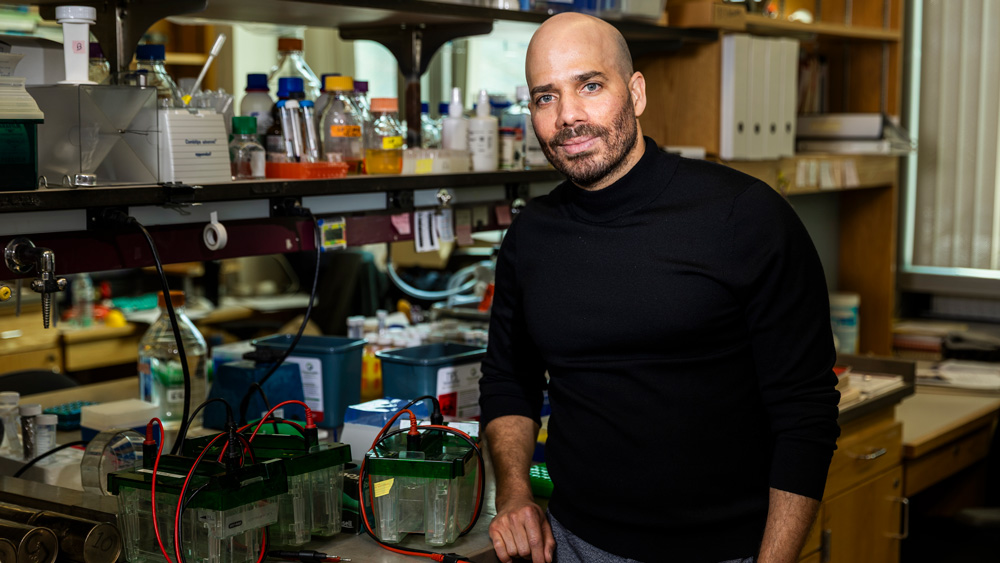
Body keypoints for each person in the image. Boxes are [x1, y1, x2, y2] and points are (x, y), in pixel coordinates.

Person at [479, 12, 841, 563]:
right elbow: (510, 380)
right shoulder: (531, 236)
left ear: (637, 92)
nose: (568, 116)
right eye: (545, 97)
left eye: (590, 85)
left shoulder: (745, 215)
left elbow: (805, 410)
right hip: (574, 544)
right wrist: (514, 493)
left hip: (726, 552)